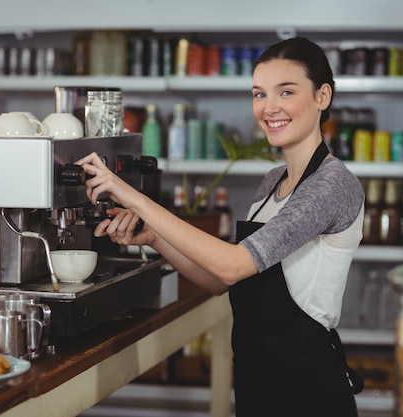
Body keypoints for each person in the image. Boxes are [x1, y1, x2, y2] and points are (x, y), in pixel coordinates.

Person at [75, 36, 365, 417]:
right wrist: (154, 237)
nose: (269, 107)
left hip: (308, 390)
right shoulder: (272, 183)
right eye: (259, 94)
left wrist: (134, 197)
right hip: (258, 382)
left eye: (287, 91)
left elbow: (233, 264)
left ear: (322, 96)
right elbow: (221, 280)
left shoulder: (332, 184)